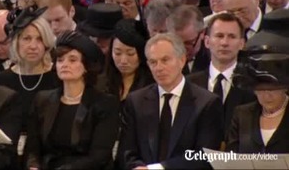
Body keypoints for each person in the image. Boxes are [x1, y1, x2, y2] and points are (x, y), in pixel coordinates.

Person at [117, 33, 223, 169]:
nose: (159, 68)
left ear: (182, 60)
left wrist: (158, 169)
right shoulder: (136, 101)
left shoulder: (207, 103)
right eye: (153, 62)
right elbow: (126, 152)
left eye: (165, 60)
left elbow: (204, 156)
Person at [25, 30, 119, 169]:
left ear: (86, 66)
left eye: (72, 60)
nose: (64, 64)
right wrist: (33, 166)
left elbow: (99, 156)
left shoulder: (104, 104)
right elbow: (33, 148)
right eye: (60, 60)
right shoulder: (42, 100)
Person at [226, 9, 289, 153]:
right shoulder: (242, 114)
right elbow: (231, 157)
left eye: (272, 89)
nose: (267, 95)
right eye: (261, 89)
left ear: (285, 86)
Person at [188, 13, 256, 138]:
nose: (224, 42)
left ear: (242, 43)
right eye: (219, 36)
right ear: (207, 41)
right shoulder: (189, 84)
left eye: (231, 37)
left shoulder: (252, 85)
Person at [0, 6, 59, 132]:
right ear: (16, 42)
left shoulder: (57, 77)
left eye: (39, 39)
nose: (33, 46)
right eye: (27, 39)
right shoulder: (2, 80)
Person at [106, 19, 153, 102]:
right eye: (117, 53)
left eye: (130, 54)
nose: (123, 61)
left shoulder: (152, 85)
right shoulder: (101, 83)